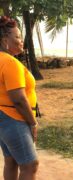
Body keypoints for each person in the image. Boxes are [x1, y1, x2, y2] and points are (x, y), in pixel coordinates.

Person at [0, 16, 39, 180]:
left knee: (11, 161)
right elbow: (19, 99)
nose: (21, 40)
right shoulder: (9, 63)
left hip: (3, 116)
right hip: (14, 117)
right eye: (17, 37)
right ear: (4, 39)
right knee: (30, 165)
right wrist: (32, 122)